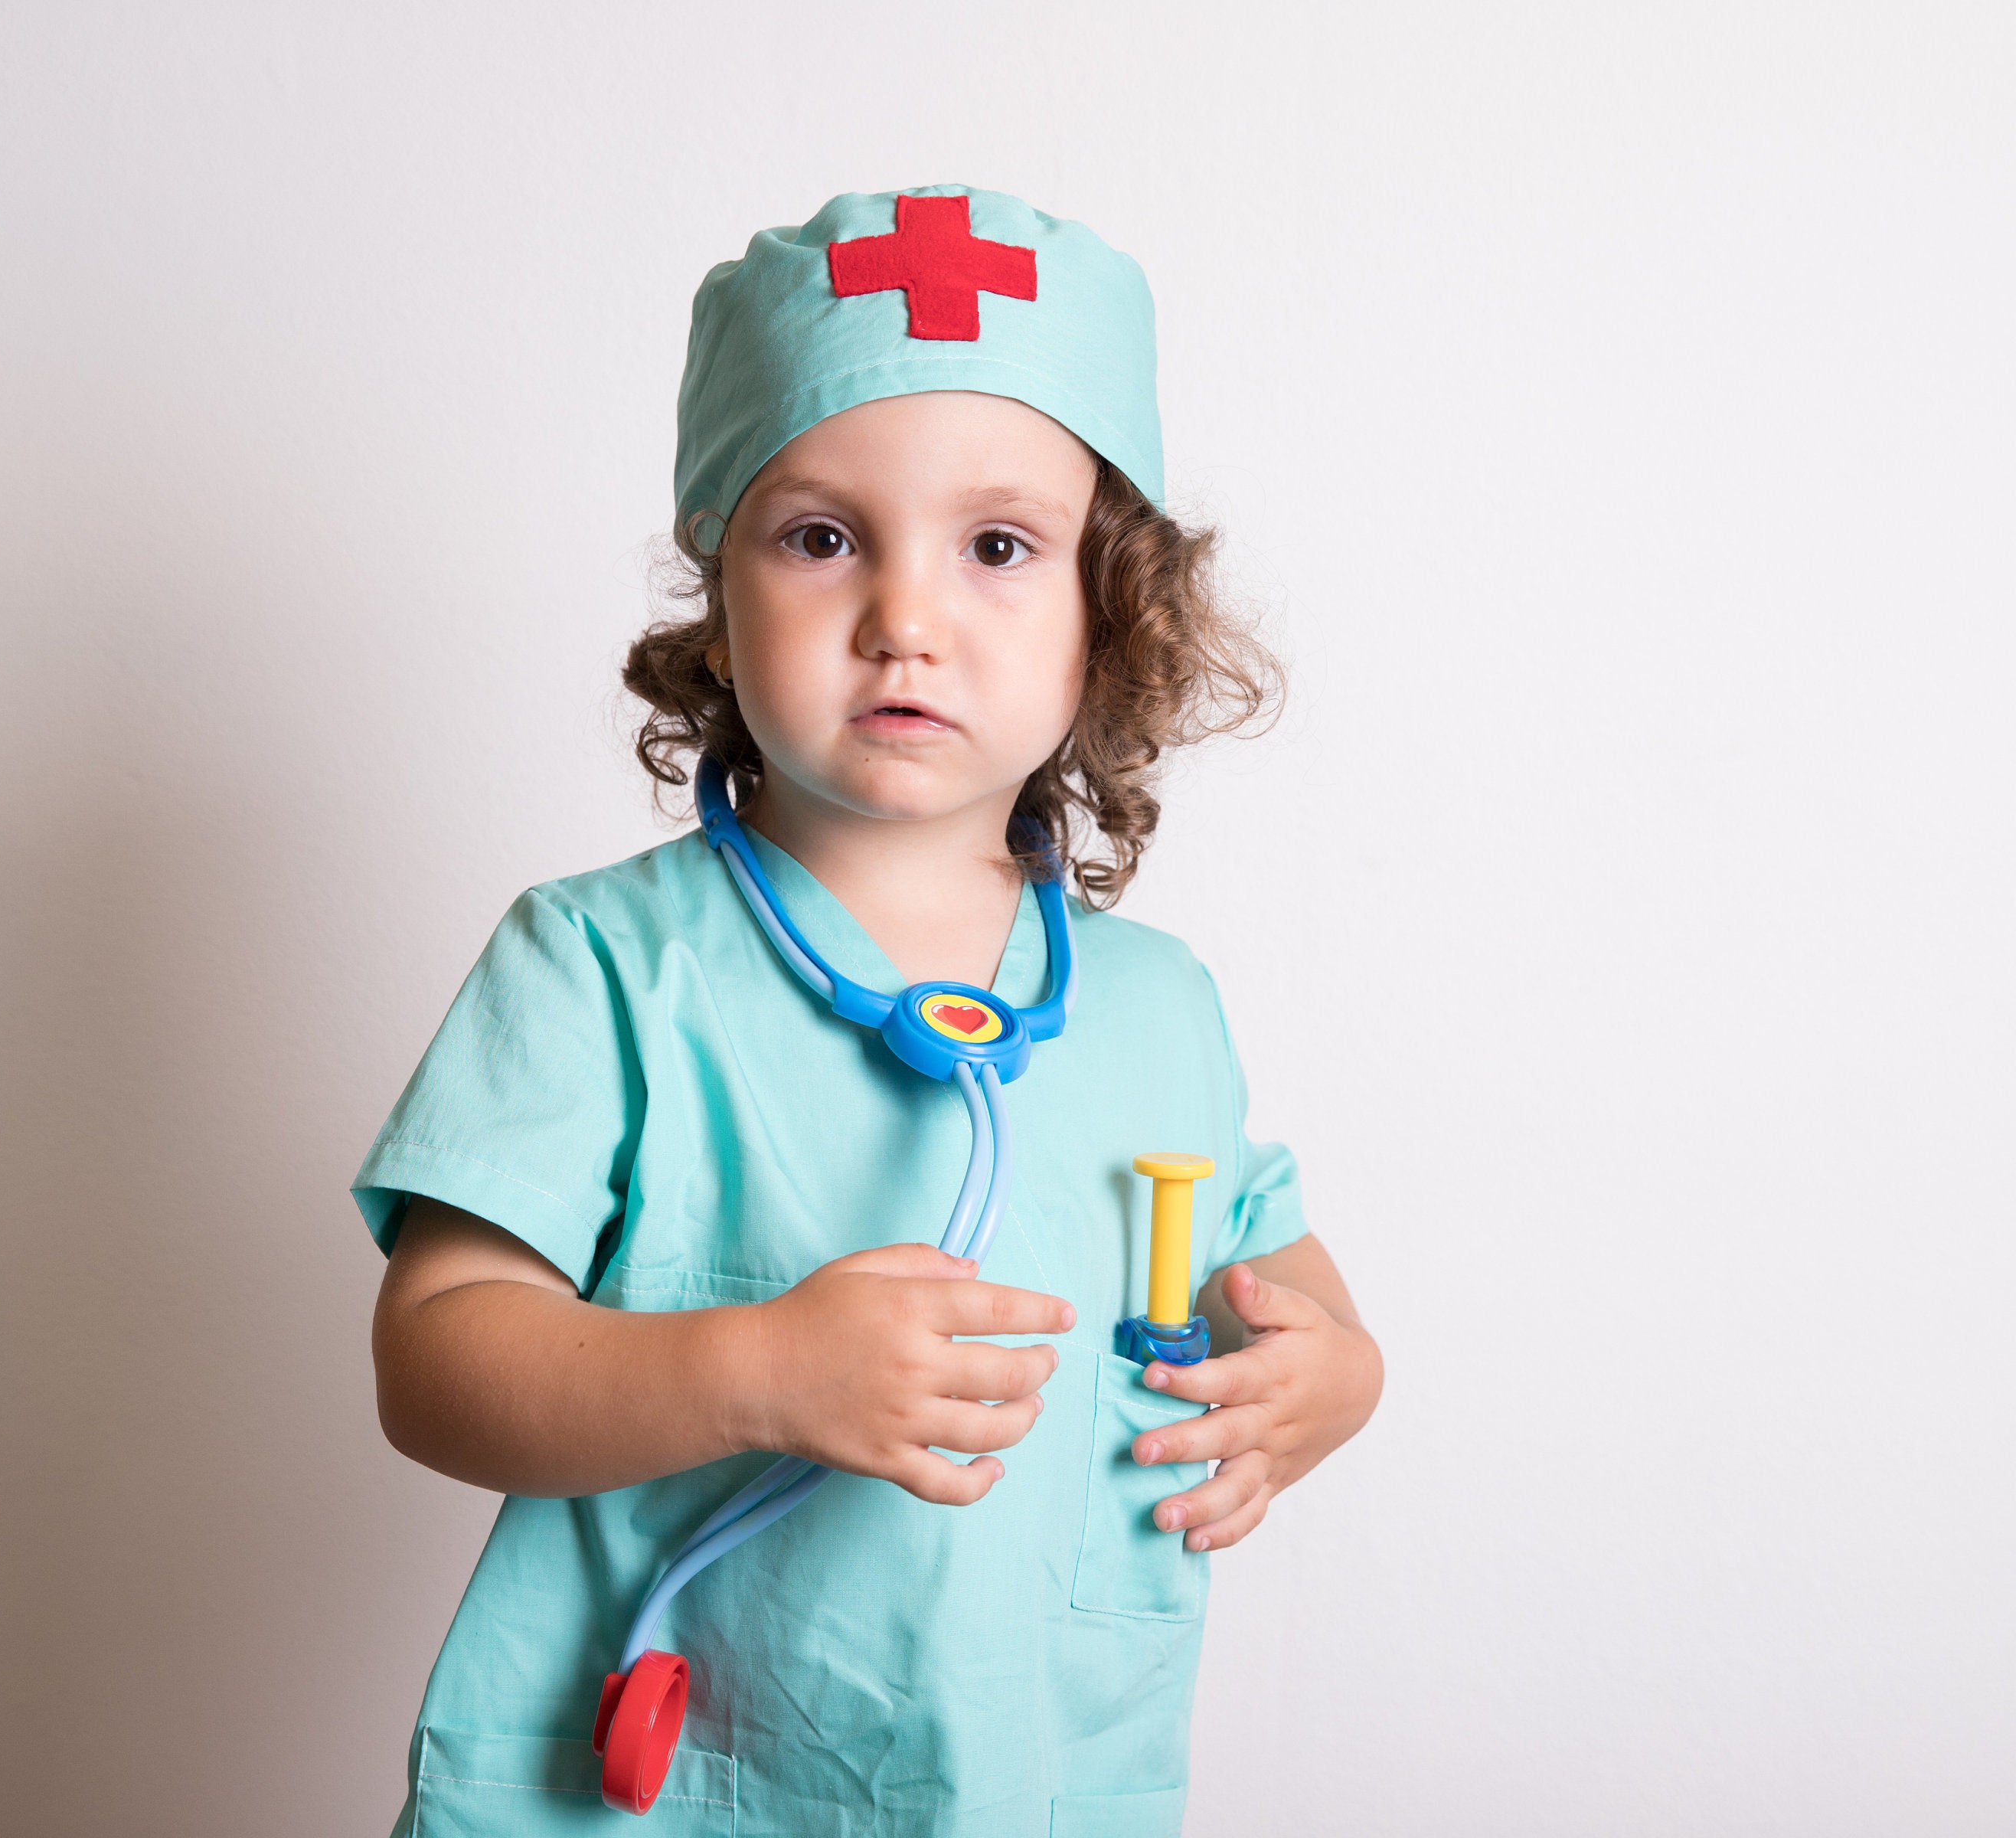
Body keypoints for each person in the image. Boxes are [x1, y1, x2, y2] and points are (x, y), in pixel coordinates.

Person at [356, 185, 1383, 1836]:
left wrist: (1334, 1382)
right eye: (822, 536)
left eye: (998, 547)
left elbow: (1271, 1272)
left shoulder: (1154, 1003)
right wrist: (759, 1370)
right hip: (667, 1786)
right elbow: (435, 1363)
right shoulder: (600, 967)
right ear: (722, 592)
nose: (907, 617)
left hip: (1036, 1779)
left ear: (1103, 610)